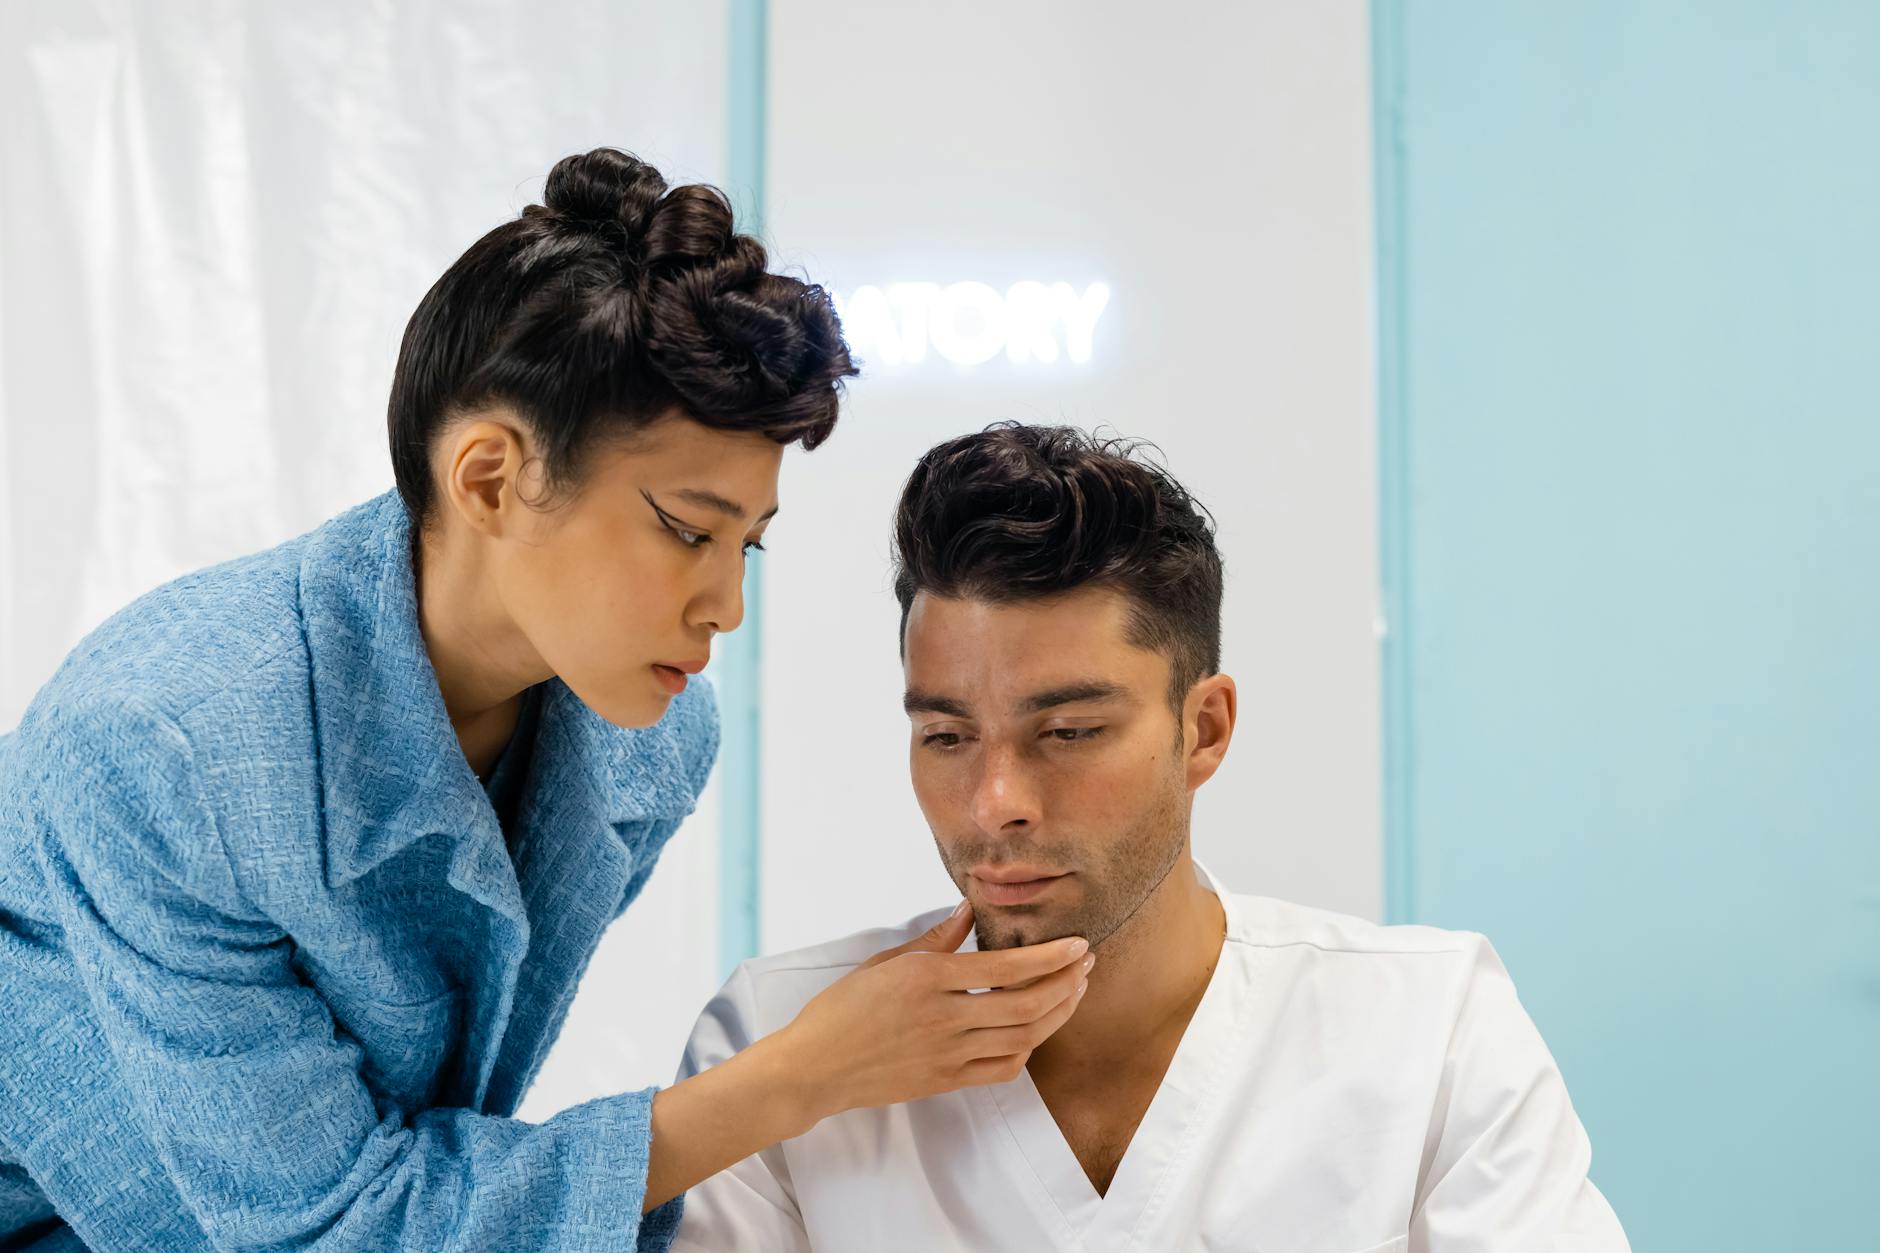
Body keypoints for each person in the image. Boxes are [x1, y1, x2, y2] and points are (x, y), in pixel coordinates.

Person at [0, 151, 1089, 1251]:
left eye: (746, 545)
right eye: (684, 529)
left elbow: (424, 1150)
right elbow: (332, 1226)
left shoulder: (649, 743)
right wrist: (799, 1075)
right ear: (486, 479)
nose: (724, 606)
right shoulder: (166, 746)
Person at [672, 424, 1632, 1252]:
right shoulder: (775, 1050)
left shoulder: (1430, 1033)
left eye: (1070, 732)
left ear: (1203, 729)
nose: (994, 802)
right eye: (948, 736)